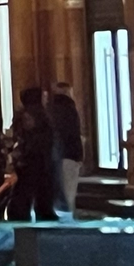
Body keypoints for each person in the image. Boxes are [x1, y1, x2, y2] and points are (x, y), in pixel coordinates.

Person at [6, 86, 57, 222]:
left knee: (33, 187)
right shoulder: (32, 115)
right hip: (34, 157)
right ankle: (26, 213)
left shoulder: (31, 114)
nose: (46, 99)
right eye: (43, 96)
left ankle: (26, 213)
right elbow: (32, 137)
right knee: (30, 187)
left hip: (34, 157)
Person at [47, 80, 83, 215]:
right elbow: (72, 133)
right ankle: (68, 218)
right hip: (70, 154)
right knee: (69, 191)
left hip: (55, 155)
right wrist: (79, 155)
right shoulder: (69, 108)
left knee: (59, 190)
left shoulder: (49, 109)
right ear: (68, 92)